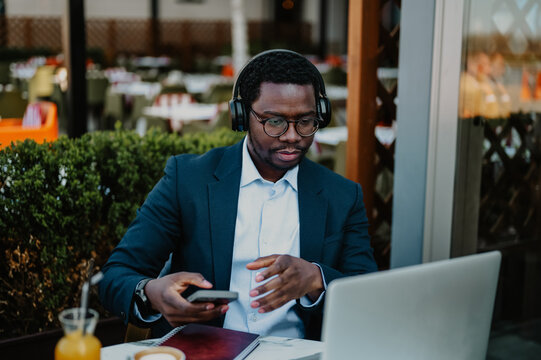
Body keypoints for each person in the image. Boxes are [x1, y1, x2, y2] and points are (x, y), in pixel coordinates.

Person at [99, 49, 377, 341]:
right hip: (203, 351)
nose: (293, 136)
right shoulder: (188, 180)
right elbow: (116, 276)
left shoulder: (343, 196)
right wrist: (152, 293)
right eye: (275, 121)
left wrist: (317, 279)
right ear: (242, 117)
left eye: (306, 122)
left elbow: (368, 294)